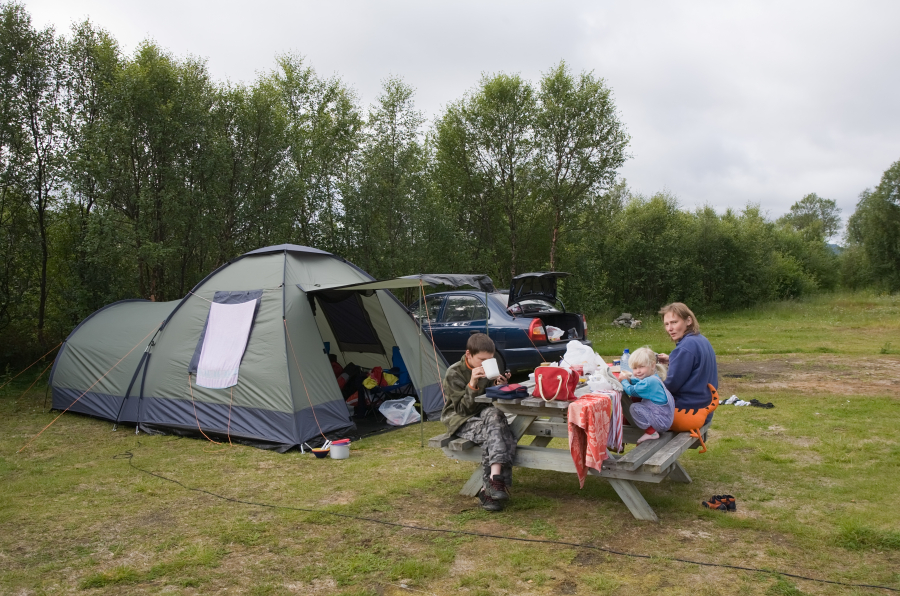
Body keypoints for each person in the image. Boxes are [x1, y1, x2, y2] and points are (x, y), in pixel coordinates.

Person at [441, 333, 516, 512]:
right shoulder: (454, 373)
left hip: (482, 414)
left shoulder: (488, 369)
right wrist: (473, 383)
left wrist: (499, 385)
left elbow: (489, 401)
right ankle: (490, 489)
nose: (485, 364)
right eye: (481, 359)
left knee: (496, 416)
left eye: (489, 360)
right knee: (501, 434)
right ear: (469, 354)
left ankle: (492, 483)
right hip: (459, 418)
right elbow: (462, 410)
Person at [656, 302, 718, 423]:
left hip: (689, 412)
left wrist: (649, 380)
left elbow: (670, 386)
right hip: (704, 409)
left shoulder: (685, 348)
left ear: (688, 321)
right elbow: (696, 363)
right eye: (666, 324)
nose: (670, 328)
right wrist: (673, 360)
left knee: (638, 408)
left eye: (674, 322)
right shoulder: (700, 339)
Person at [619, 347, 675, 444]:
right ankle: (652, 430)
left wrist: (624, 381)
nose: (638, 371)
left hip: (661, 422)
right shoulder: (654, 378)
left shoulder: (650, 382)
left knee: (634, 407)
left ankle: (651, 432)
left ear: (652, 366)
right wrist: (630, 380)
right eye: (635, 368)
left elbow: (630, 391)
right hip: (665, 419)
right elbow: (640, 383)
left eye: (641, 367)